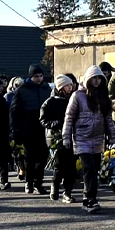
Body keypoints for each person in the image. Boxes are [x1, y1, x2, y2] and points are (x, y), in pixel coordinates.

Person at [64, 65, 115, 213]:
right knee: (89, 169)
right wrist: (66, 137)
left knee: (96, 168)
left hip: (98, 139)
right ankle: (91, 199)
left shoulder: (103, 97)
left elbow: (108, 119)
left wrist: (113, 136)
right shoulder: (78, 96)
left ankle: (87, 198)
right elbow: (69, 118)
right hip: (82, 138)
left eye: (99, 78)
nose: (97, 81)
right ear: (88, 79)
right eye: (94, 78)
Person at [11, 64, 53, 195]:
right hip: (28, 126)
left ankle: (38, 182)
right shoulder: (22, 90)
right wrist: (15, 129)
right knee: (30, 157)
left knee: (43, 157)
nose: (39, 79)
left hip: (44, 126)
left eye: (41, 76)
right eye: (36, 76)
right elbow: (14, 111)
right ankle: (29, 182)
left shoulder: (47, 89)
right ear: (31, 77)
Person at [41, 75, 78, 203]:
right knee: (60, 165)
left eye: (71, 85)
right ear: (61, 87)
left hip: (72, 136)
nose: (70, 87)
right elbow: (43, 120)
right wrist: (56, 123)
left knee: (71, 166)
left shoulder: (73, 99)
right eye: (68, 85)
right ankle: (55, 185)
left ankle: (67, 192)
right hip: (57, 138)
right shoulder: (50, 102)